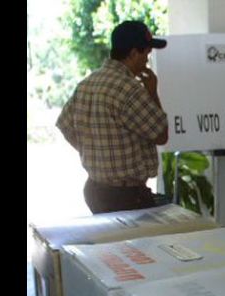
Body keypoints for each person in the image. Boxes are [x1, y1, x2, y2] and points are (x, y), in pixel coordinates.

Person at [56, 20, 169, 214]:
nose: (147, 61)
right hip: (127, 196)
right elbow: (161, 134)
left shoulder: (87, 83)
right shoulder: (130, 89)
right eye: (146, 54)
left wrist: (93, 152)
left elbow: (65, 125)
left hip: (95, 189)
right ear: (133, 54)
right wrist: (152, 92)